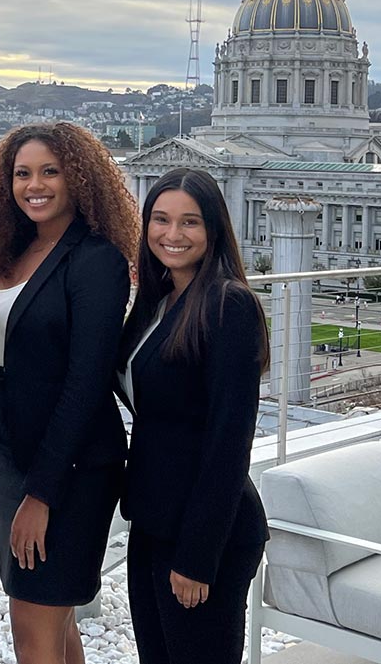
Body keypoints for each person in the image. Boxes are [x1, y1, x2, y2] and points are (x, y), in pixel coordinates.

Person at [0, 123, 139, 664]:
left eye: (50, 171)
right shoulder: (13, 253)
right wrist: (1, 463)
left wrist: (41, 494)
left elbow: (84, 384)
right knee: (52, 620)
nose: (34, 185)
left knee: (33, 621)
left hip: (69, 473)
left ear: (79, 179)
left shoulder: (96, 261)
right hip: (17, 461)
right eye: (22, 173)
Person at [115, 167, 270, 664]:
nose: (172, 235)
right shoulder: (159, 302)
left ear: (214, 230)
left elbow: (229, 441)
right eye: (160, 220)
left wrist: (198, 556)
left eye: (190, 223)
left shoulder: (228, 305)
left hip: (205, 535)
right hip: (153, 519)